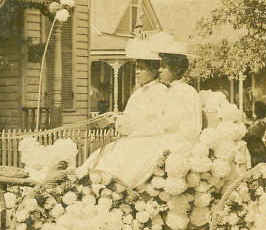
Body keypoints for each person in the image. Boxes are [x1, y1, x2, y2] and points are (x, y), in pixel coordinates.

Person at [82, 33, 201, 189]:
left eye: (163, 66)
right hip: (161, 139)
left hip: (177, 142)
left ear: (176, 68)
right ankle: (98, 181)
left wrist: (166, 140)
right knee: (114, 151)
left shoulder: (186, 92)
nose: (159, 70)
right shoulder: (169, 90)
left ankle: (117, 187)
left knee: (137, 153)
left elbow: (190, 129)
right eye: (159, 65)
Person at [80, 38, 168, 186]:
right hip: (132, 139)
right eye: (137, 68)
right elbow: (128, 117)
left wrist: (128, 125)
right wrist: (117, 120)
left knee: (122, 164)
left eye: (142, 68)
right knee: (99, 157)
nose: (137, 71)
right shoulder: (138, 93)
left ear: (153, 70)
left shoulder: (161, 92)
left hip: (148, 141)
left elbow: (158, 124)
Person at [244, 101, 266, 165]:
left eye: (256, 108)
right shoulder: (257, 120)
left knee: (257, 167)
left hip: (257, 148)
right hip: (253, 146)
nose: (254, 110)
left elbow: (249, 134)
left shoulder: (261, 123)